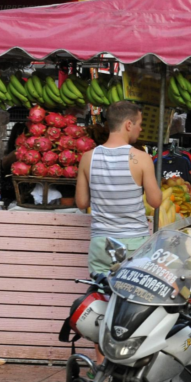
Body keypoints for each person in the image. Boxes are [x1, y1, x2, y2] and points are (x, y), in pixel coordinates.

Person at [76, 101, 161, 275]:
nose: (141, 129)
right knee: (131, 297)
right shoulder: (142, 158)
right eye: (140, 124)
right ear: (128, 125)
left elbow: (82, 202)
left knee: (102, 294)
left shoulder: (88, 158)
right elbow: (155, 201)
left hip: (101, 243)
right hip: (133, 243)